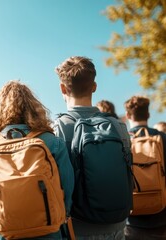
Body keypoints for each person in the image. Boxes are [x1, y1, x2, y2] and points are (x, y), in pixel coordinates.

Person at [0, 80, 74, 240]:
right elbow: (67, 188)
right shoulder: (52, 142)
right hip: (49, 231)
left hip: (4, 234)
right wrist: (61, 216)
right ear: (33, 108)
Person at [54, 56, 132, 240]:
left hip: (79, 224)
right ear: (94, 87)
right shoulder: (118, 126)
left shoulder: (58, 128)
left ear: (62, 88)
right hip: (118, 222)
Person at [124, 96, 166, 239]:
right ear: (148, 115)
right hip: (161, 214)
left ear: (128, 115)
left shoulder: (123, 140)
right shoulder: (161, 138)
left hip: (132, 218)